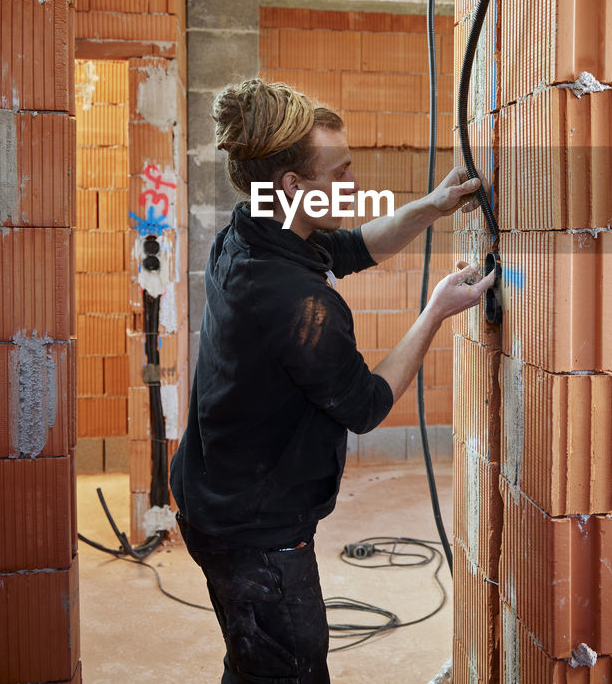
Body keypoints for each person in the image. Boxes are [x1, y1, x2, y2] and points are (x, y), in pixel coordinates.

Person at [170, 78, 494, 684]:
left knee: (256, 665)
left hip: (214, 491)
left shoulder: (254, 227)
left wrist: (431, 207)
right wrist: (436, 311)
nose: (354, 185)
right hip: (255, 527)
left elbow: (347, 247)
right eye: (340, 172)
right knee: (289, 669)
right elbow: (366, 404)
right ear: (294, 186)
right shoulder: (295, 301)